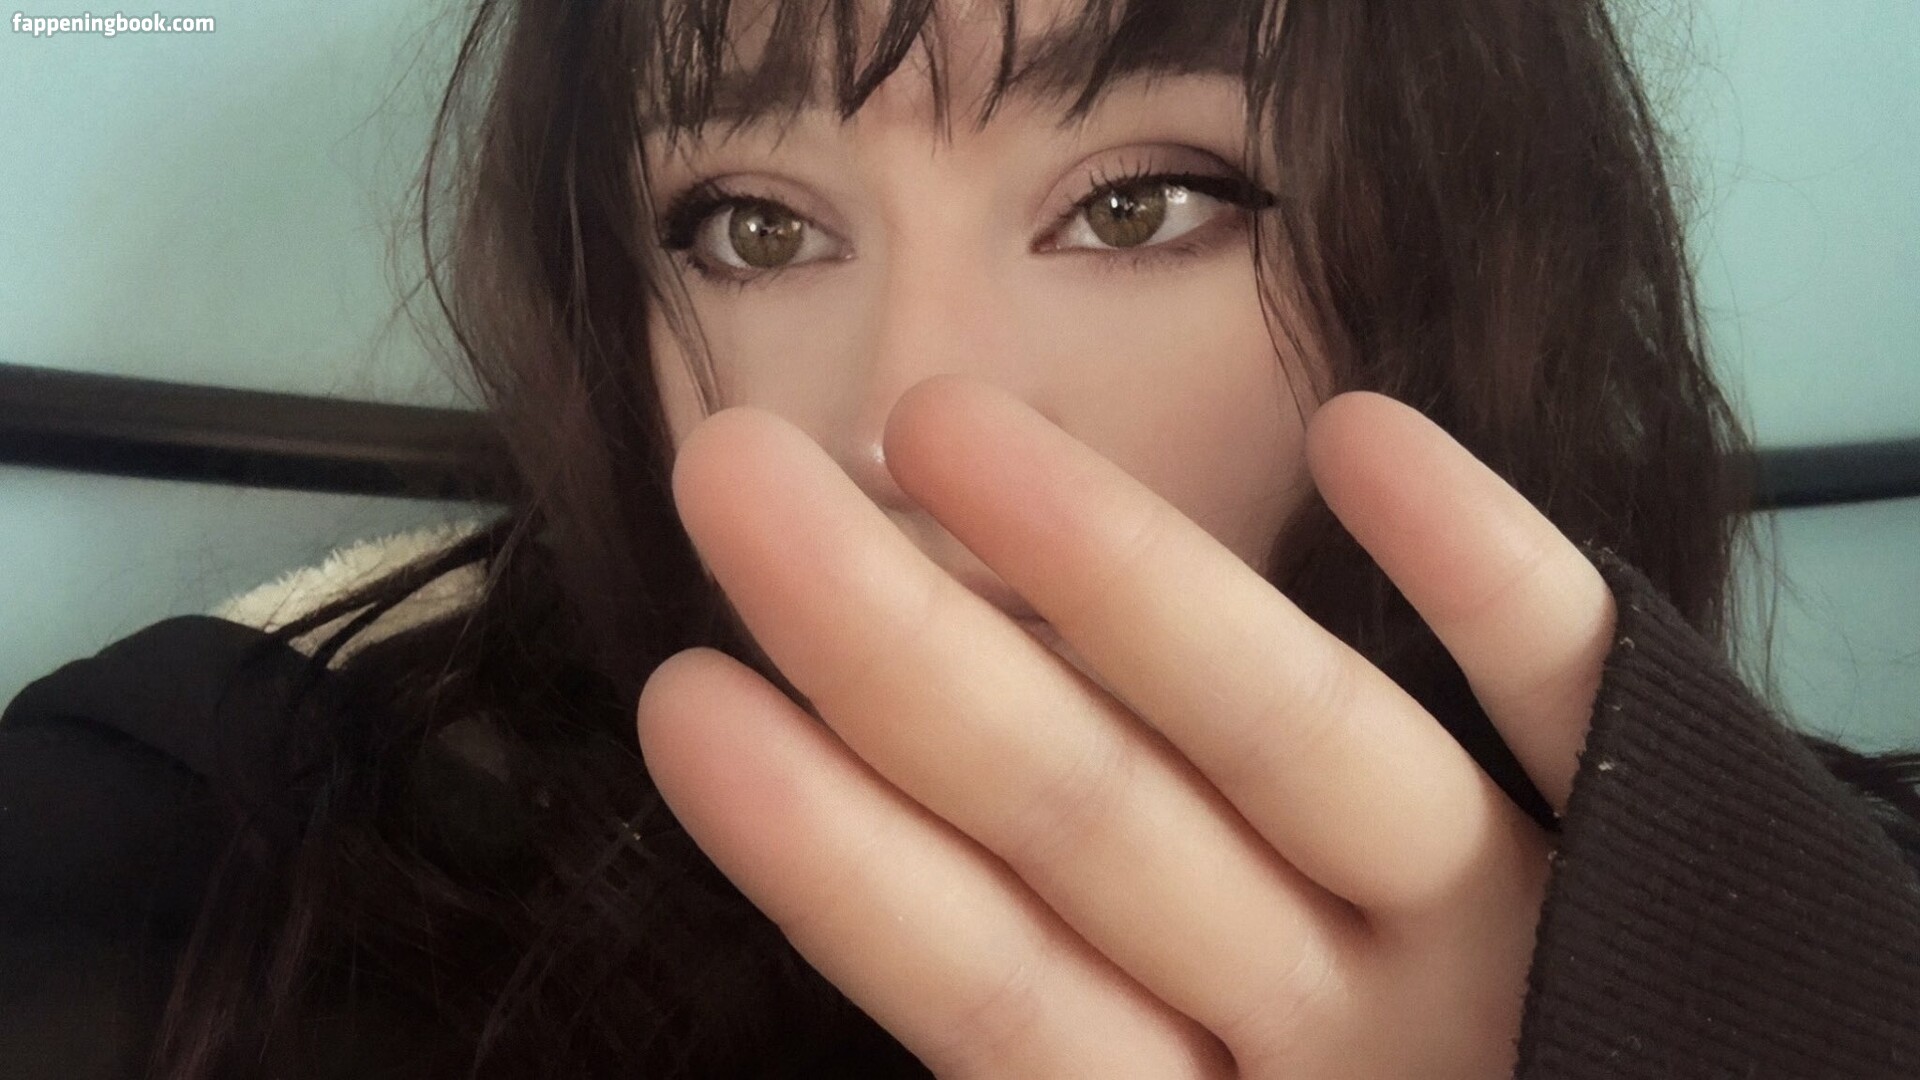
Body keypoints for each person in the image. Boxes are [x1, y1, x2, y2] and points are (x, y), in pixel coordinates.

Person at [3, 0, 1918, 1076]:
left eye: (1142, 204)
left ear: (1459, 268)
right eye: (755, 227)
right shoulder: (216, 833)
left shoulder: (1849, 922)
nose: (900, 428)